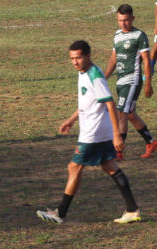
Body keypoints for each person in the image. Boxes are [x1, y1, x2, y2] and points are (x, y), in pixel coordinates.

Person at [37, 41, 142, 225]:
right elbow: (89, 102)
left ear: (88, 56)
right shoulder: (84, 72)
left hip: (93, 134)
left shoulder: (95, 75)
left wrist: (117, 135)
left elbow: (110, 103)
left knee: (74, 167)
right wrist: (71, 119)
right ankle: (132, 209)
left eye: (78, 57)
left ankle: (60, 213)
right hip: (98, 132)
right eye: (72, 58)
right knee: (109, 166)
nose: (75, 62)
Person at [103, 4, 157, 160]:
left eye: (126, 20)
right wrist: (104, 78)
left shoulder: (139, 36)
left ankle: (118, 152)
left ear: (133, 18)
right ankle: (151, 142)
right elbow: (113, 59)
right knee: (130, 114)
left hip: (132, 79)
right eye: (120, 20)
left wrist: (148, 82)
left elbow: (147, 61)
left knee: (121, 113)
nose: (123, 24)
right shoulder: (117, 35)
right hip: (121, 80)